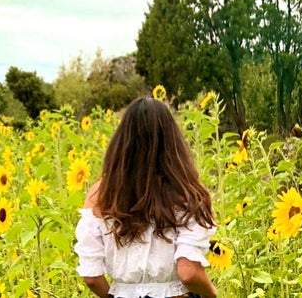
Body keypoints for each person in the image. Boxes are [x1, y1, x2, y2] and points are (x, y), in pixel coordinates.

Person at [74, 97, 218, 298]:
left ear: (122, 143)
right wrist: (212, 294)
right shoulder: (186, 192)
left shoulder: (101, 194)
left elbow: (91, 277)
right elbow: (189, 272)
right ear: (172, 142)